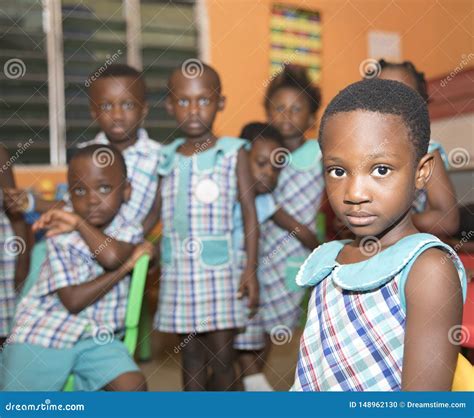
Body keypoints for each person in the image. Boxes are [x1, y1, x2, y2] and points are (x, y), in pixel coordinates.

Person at [292, 78, 467, 391]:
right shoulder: (329, 261)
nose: (355, 193)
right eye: (338, 171)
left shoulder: (427, 270)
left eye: (381, 169)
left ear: (421, 172)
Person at [3, 145, 152, 391]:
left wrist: (79, 223)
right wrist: (127, 266)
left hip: (98, 337)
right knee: (20, 404)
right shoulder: (60, 235)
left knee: (133, 387)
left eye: (104, 188)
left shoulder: (128, 228)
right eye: (80, 190)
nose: (92, 199)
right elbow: (73, 300)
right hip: (45, 332)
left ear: (126, 191)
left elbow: (110, 256)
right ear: (69, 196)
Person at [154, 63, 259, 391]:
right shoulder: (166, 157)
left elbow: (250, 215)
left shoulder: (232, 152)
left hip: (221, 273)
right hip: (179, 275)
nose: (194, 109)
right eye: (183, 101)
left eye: (204, 100)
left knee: (222, 357)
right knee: (191, 358)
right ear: (170, 106)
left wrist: (251, 269)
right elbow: (154, 213)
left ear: (221, 103)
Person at [234, 65, 324, 391]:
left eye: (297, 109)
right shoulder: (260, 149)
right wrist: (301, 230)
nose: (287, 116)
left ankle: (253, 380)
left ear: (312, 118)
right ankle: (253, 383)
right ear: (267, 111)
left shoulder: (319, 153)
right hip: (255, 247)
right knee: (247, 320)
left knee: (275, 325)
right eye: (279, 108)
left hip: (293, 257)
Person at [4, 64, 161, 235]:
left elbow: (161, 212)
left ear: (144, 109)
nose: (117, 115)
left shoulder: (160, 157)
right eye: (106, 106)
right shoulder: (83, 156)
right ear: (93, 112)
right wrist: (32, 202)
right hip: (84, 250)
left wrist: (137, 244)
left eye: (128, 105)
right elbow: (72, 206)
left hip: (130, 252)